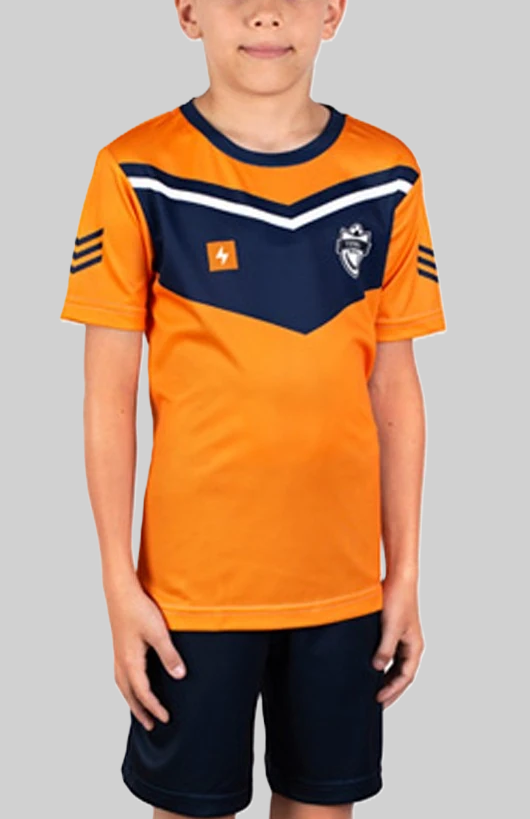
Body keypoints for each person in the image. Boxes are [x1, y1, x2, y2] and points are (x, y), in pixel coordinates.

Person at [59, 1, 446, 816]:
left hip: (343, 587)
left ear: (334, 11)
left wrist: (405, 572)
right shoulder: (135, 171)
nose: (266, 13)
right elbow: (107, 397)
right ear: (187, 11)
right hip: (189, 592)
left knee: (322, 803)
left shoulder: (389, 174)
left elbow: (396, 390)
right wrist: (117, 582)